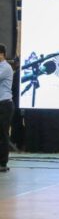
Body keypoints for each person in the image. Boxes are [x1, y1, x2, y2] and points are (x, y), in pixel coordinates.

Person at [0, 43, 13, 172]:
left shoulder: (6, 68)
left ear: (2, 54)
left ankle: (3, 163)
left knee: (3, 134)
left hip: (4, 104)